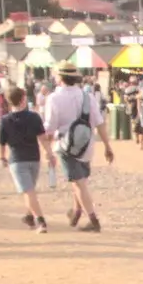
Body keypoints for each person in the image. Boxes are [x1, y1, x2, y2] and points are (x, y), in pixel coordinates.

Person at [44, 65, 114, 230]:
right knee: (80, 179)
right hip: (86, 145)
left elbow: (50, 126)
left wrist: (46, 144)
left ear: (60, 78)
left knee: (78, 183)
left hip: (66, 146)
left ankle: (93, 219)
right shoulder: (87, 97)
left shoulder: (54, 98)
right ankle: (76, 211)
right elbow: (99, 123)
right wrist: (107, 146)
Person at [0, 86, 49, 232]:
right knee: (29, 190)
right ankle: (29, 216)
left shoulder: (5, 120)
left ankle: (41, 220)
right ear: (23, 99)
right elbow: (43, 138)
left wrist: (2, 157)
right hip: (34, 158)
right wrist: (49, 153)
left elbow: (1, 142)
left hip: (17, 159)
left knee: (28, 191)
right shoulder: (34, 117)